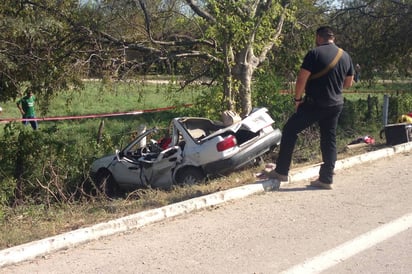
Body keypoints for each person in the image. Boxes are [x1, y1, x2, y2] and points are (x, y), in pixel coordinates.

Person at [264, 26, 354, 189]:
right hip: (335, 104)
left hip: (315, 104)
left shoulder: (314, 53)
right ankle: (326, 179)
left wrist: (298, 99)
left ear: (319, 37)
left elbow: (301, 79)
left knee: (290, 130)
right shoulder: (345, 56)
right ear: (332, 37)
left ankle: (282, 171)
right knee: (329, 139)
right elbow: (348, 83)